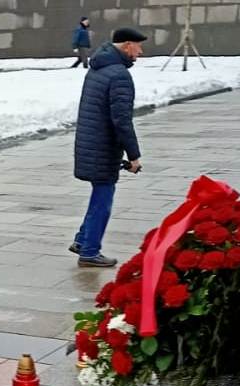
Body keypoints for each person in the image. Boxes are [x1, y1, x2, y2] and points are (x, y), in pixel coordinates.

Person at [71, 27, 146, 268]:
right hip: (102, 147)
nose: (140, 51)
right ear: (126, 46)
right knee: (103, 199)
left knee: (99, 195)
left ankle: (83, 241)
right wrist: (134, 156)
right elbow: (122, 120)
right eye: (138, 46)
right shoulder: (118, 75)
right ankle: (90, 252)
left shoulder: (99, 68)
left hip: (91, 142)